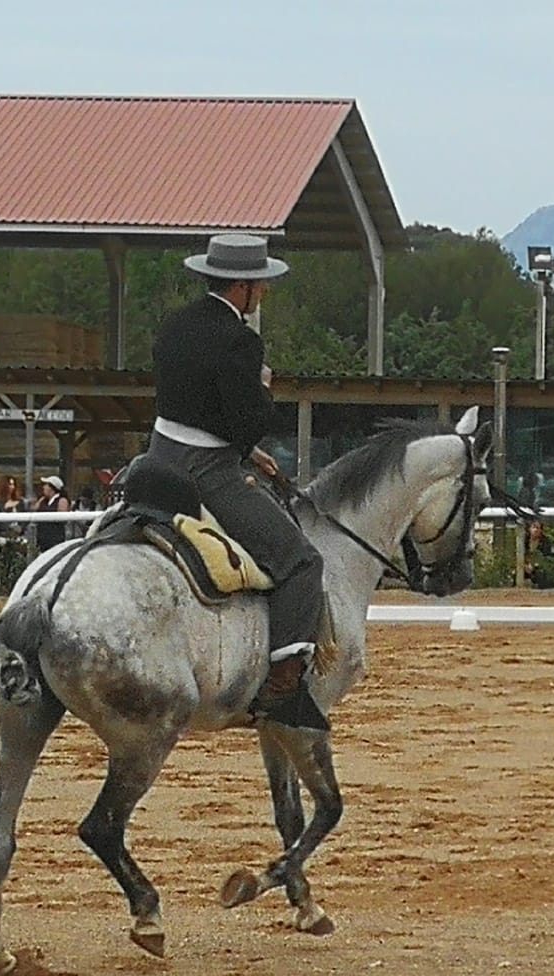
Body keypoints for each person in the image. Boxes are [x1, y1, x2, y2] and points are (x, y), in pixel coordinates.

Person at [147, 232, 325, 729]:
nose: (263, 292)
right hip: (206, 472)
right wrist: (263, 390)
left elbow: (197, 407)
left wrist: (246, 452)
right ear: (241, 287)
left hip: (157, 458)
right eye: (260, 284)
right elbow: (247, 422)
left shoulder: (173, 325)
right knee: (301, 561)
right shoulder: (241, 341)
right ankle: (282, 685)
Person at [33, 475, 72, 552]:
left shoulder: (61, 500)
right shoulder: (43, 500)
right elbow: (34, 511)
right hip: (42, 540)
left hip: (55, 540)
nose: (43, 487)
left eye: (46, 485)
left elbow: (62, 519)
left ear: (52, 488)